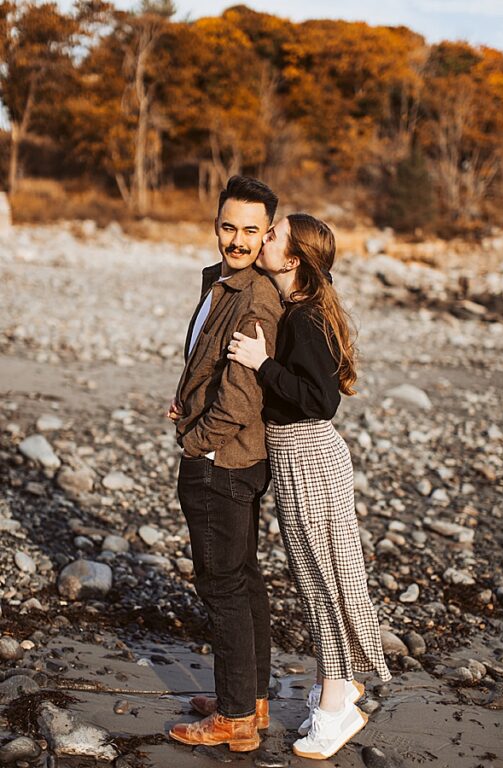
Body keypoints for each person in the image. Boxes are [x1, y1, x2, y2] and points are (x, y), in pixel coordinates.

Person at [227, 212, 392, 760]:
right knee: (324, 578)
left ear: (293, 259)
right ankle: (341, 685)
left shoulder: (304, 319)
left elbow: (321, 400)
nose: (261, 238)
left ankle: (336, 706)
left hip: (309, 458)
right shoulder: (297, 308)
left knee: (325, 583)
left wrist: (262, 363)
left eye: (271, 236)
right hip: (299, 456)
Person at [166, 175, 284, 752]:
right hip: (229, 457)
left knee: (223, 587)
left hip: (223, 462)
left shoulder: (255, 295)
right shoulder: (220, 282)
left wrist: (195, 440)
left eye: (250, 231)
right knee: (244, 579)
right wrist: (185, 399)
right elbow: (209, 363)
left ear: (267, 236)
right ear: (217, 224)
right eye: (228, 226)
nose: (237, 240)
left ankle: (236, 719)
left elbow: (240, 399)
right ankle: (251, 700)